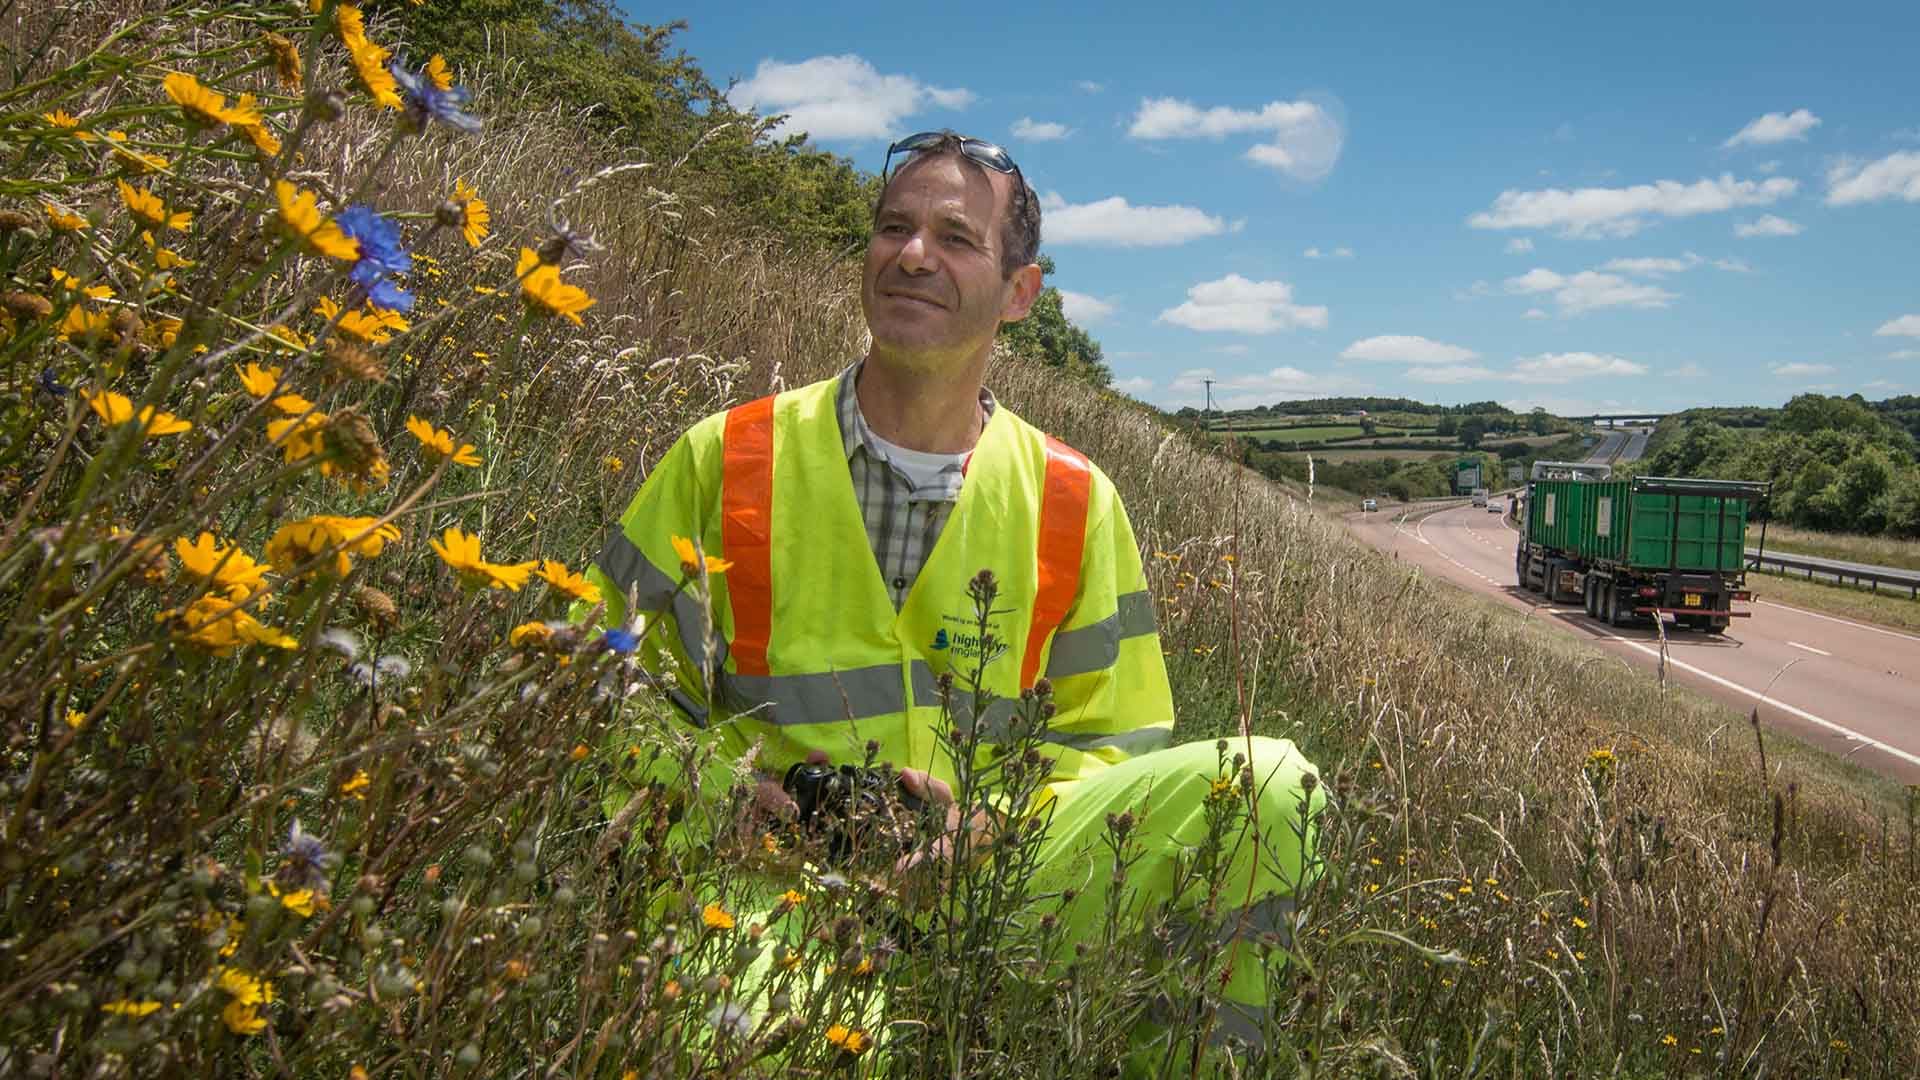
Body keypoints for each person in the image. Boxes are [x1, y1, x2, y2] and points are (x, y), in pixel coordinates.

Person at [583, 130, 1323, 1051]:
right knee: (772, 1037)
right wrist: (714, 792)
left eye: (956, 237)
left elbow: (1117, 742)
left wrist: (990, 829)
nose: (913, 255)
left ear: (1021, 293)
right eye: (893, 228)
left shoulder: (1075, 501)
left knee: (1269, 785)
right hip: (769, 880)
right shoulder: (727, 457)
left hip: (1002, 878)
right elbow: (598, 682)